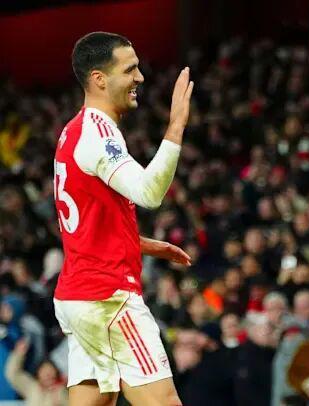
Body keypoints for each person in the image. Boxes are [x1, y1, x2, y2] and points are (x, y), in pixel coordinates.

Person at [52, 32, 194, 406]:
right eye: (130, 69)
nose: (140, 78)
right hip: (108, 299)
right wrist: (176, 124)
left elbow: (83, 220)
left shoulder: (73, 130)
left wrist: (140, 243)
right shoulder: (97, 134)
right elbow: (149, 193)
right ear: (99, 79)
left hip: (78, 296)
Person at [4, 338, 68, 406]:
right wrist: (18, 354)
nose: (48, 375)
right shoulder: (32, 387)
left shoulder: (60, 392)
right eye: (44, 372)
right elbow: (12, 374)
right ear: (38, 373)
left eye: (50, 371)